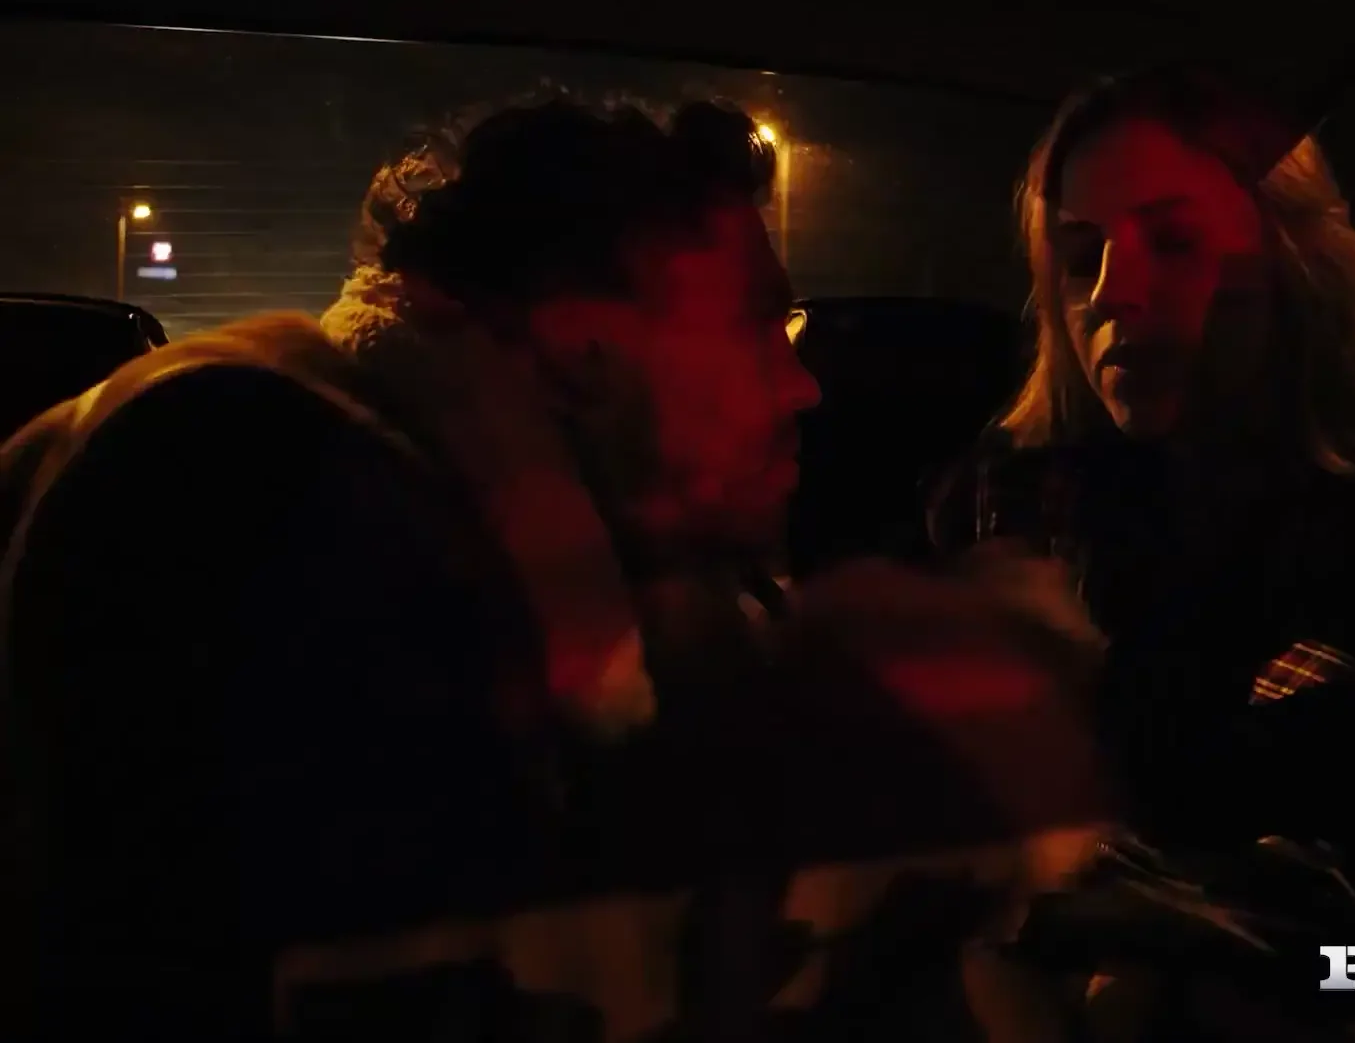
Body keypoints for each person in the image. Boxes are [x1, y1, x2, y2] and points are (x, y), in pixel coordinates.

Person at [0, 93, 1108, 1041]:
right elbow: (385, 997)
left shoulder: (527, 531)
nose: (803, 385)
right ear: (584, 350)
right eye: (762, 327)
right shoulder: (246, 474)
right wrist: (940, 813)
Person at [930, 62, 1355, 909]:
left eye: (1174, 243)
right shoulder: (1010, 514)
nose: (1111, 294)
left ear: (1294, 268)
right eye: (1080, 256)